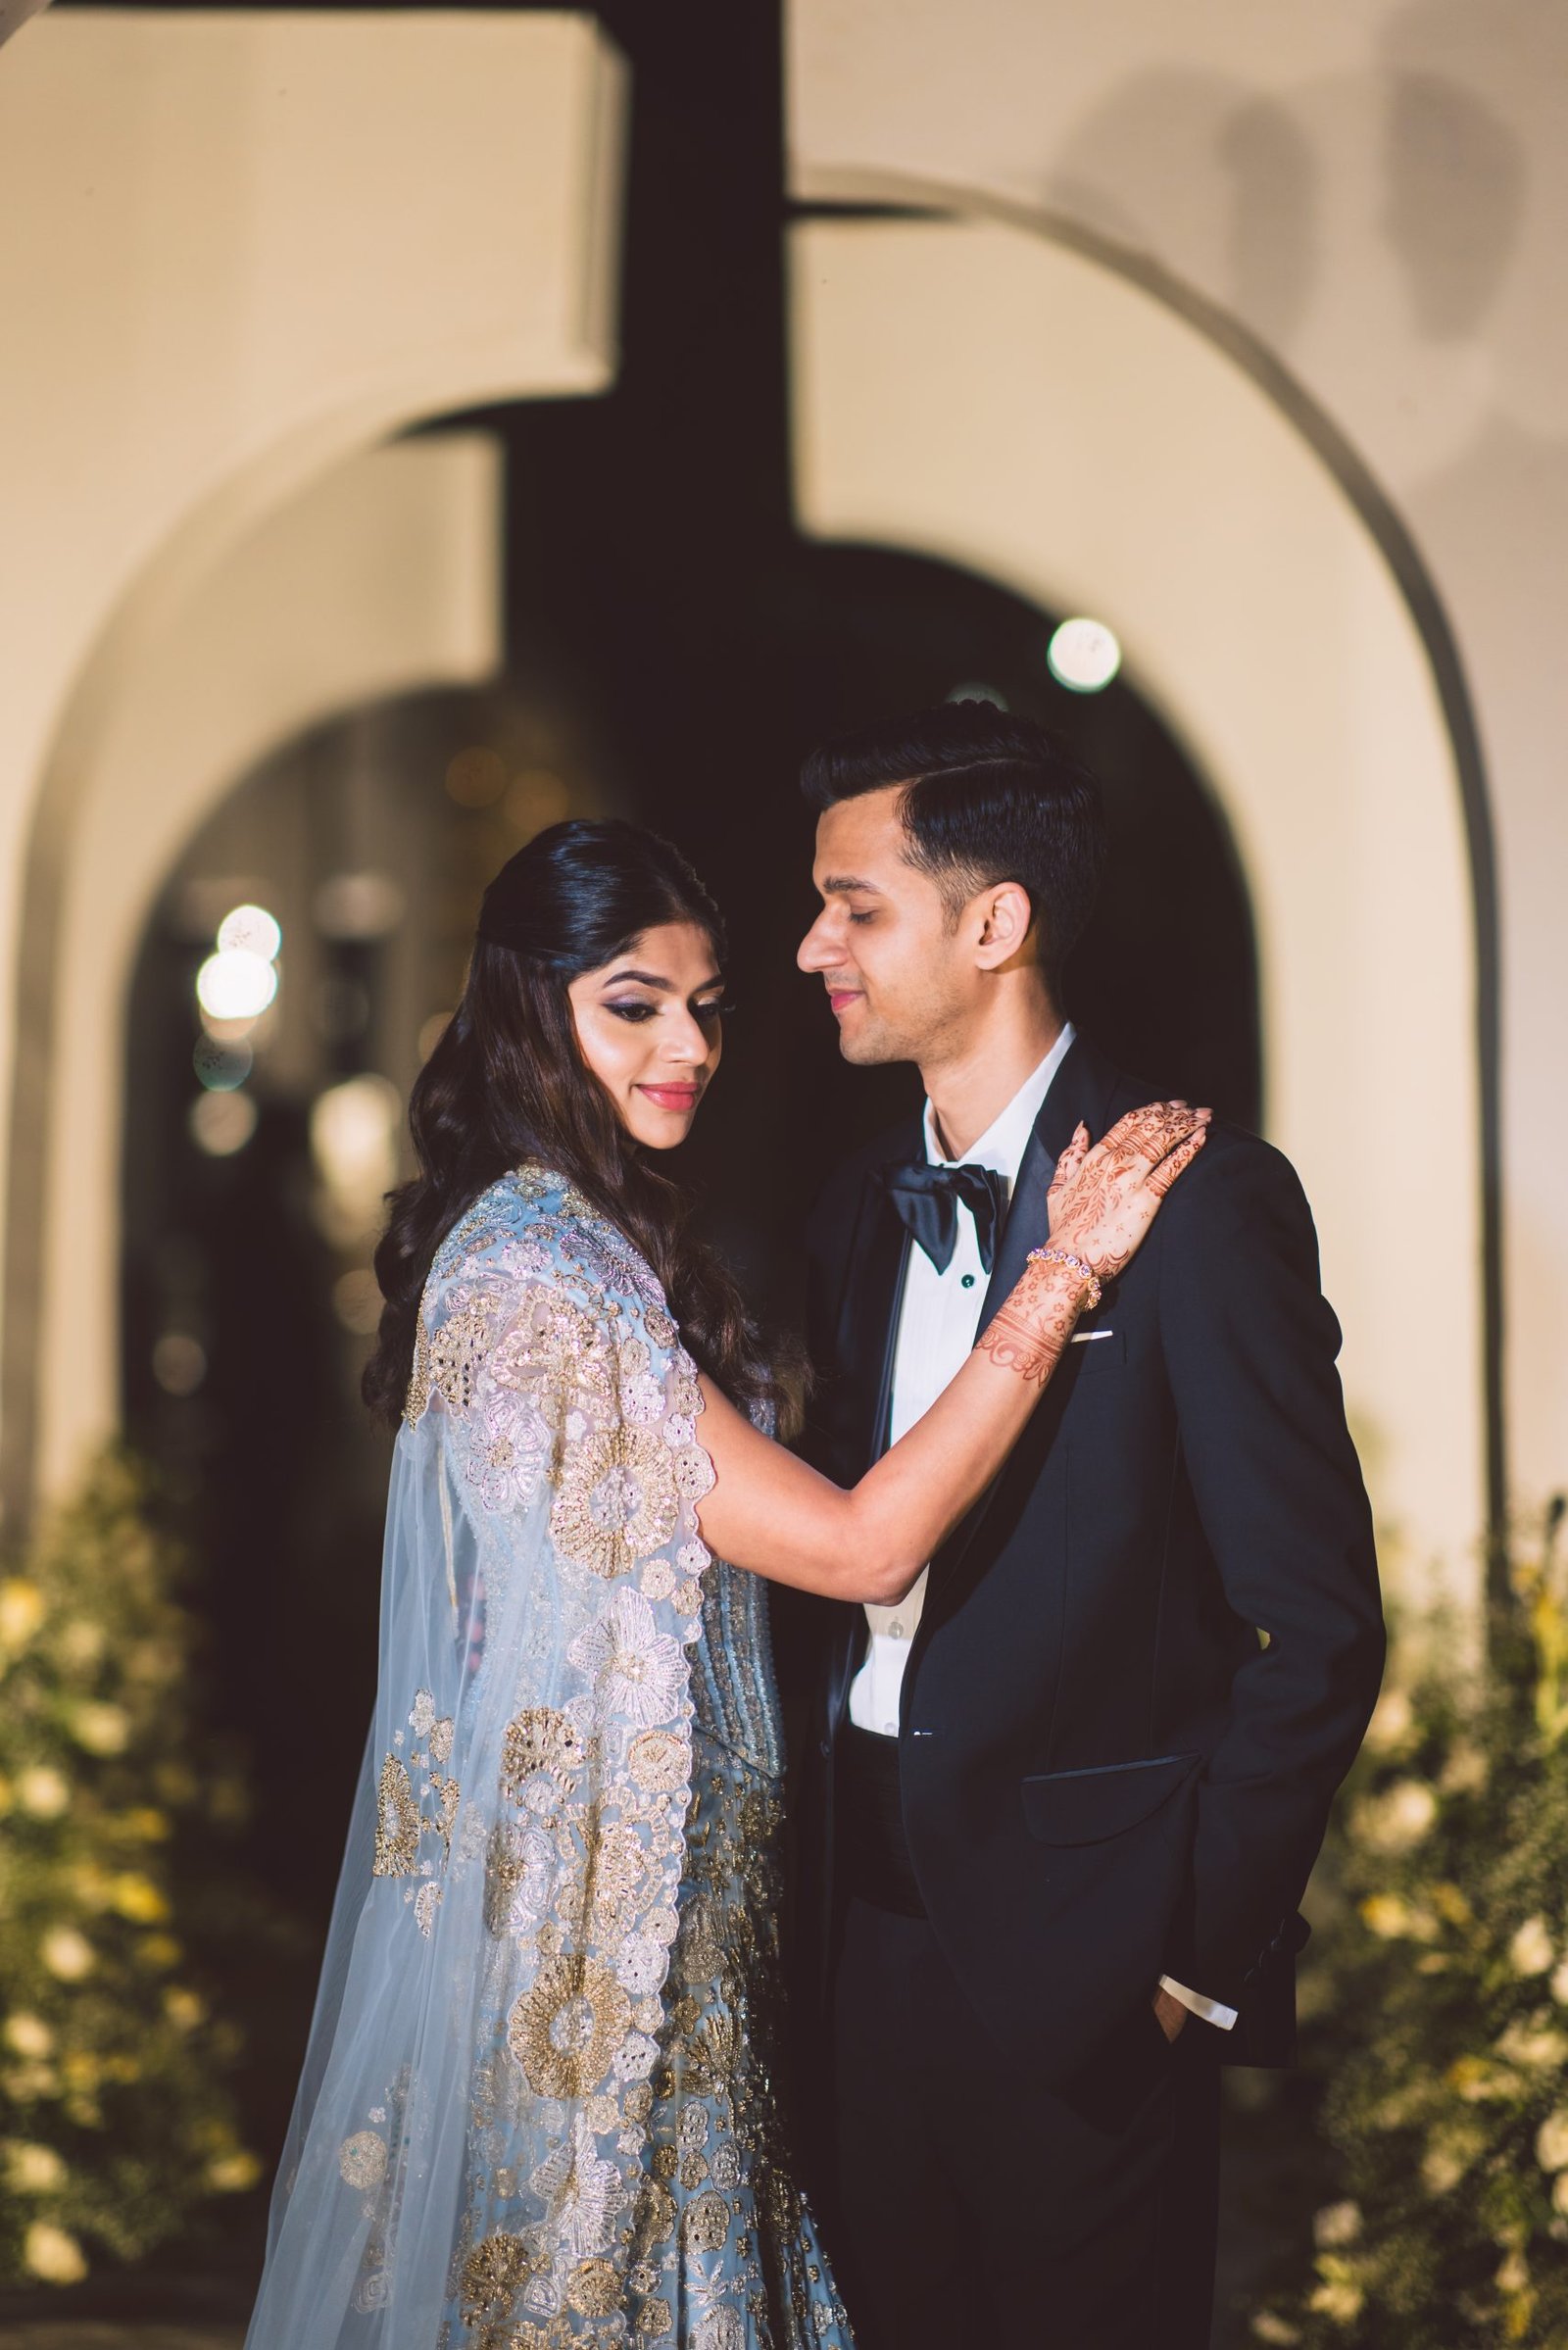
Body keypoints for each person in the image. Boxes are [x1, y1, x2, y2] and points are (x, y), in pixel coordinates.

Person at [244, 817, 1205, 2350]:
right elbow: (861, 1545)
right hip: (599, 1952)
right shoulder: (539, 1273)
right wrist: (1060, 1275)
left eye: (705, 1006)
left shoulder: (586, 1233)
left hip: (684, 1928)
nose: (687, 1046)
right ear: (528, 1005)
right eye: (632, 1004)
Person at [787, 702, 1386, 2350]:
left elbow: (1321, 1625)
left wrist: (1193, 1959)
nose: (812, 947)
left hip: (1094, 1967)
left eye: (853, 908)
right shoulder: (850, 1211)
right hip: (857, 1946)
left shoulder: (1201, 1203)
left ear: (995, 922)